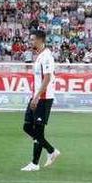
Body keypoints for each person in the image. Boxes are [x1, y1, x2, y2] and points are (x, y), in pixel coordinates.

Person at [21, 30, 61, 171]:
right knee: (27, 127)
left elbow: (48, 78)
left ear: (40, 40)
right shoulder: (39, 56)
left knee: (38, 130)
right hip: (36, 96)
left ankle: (35, 163)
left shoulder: (47, 57)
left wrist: (37, 96)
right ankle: (51, 151)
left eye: (32, 39)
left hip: (43, 98)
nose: (30, 42)